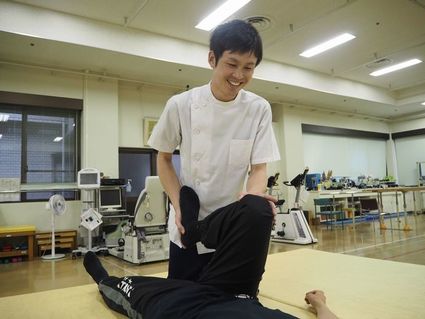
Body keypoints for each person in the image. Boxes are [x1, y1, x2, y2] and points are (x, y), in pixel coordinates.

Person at [148, 18, 281, 281]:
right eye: (232, 64)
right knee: (182, 303)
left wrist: (252, 204)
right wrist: (179, 208)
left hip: (232, 230)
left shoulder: (259, 109)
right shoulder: (181, 105)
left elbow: (259, 168)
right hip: (188, 226)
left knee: (230, 302)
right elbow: (163, 159)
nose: (239, 75)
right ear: (212, 59)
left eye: (249, 67)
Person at [84, 187, 337, 319]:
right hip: (241, 294)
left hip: (184, 308)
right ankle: (194, 231)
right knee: (256, 208)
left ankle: (102, 277)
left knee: (121, 286)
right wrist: (320, 305)